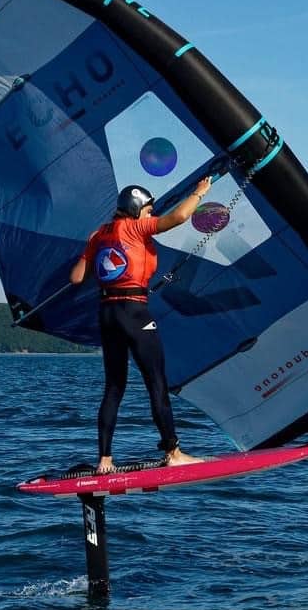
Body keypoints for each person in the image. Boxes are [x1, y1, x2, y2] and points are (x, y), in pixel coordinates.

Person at [70, 176, 213, 474]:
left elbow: (75, 278)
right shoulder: (137, 227)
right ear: (135, 209)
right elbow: (180, 216)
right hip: (135, 313)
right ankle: (173, 452)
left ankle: (105, 460)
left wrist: (91, 250)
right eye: (148, 209)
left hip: (107, 313)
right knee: (156, 384)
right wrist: (199, 193)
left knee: (114, 386)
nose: (151, 213)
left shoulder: (98, 234)